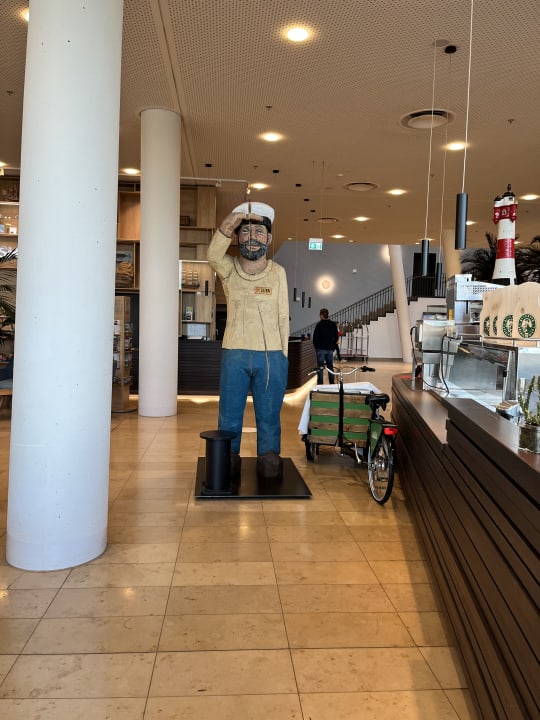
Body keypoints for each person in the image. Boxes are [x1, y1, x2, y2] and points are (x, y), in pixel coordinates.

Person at [208, 201, 289, 479]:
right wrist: (230, 221)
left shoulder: (278, 273)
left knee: (269, 412)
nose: (252, 238)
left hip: (271, 355)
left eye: (258, 232)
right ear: (236, 237)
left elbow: (283, 316)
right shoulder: (229, 269)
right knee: (230, 412)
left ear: (269, 238)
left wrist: (283, 355)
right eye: (245, 232)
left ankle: (269, 456)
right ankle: (228, 457)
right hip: (235, 353)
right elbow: (212, 255)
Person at [313, 308, 338, 384]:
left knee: (320, 368)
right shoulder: (333, 324)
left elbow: (315, 338)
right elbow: (336, 337)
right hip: (329, 349)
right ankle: (332, 383)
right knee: (330, 367)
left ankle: (320, 384)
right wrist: (333, 347)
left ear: (321, 315)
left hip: (320, 349)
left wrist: (316, 348)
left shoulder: (319, 325)